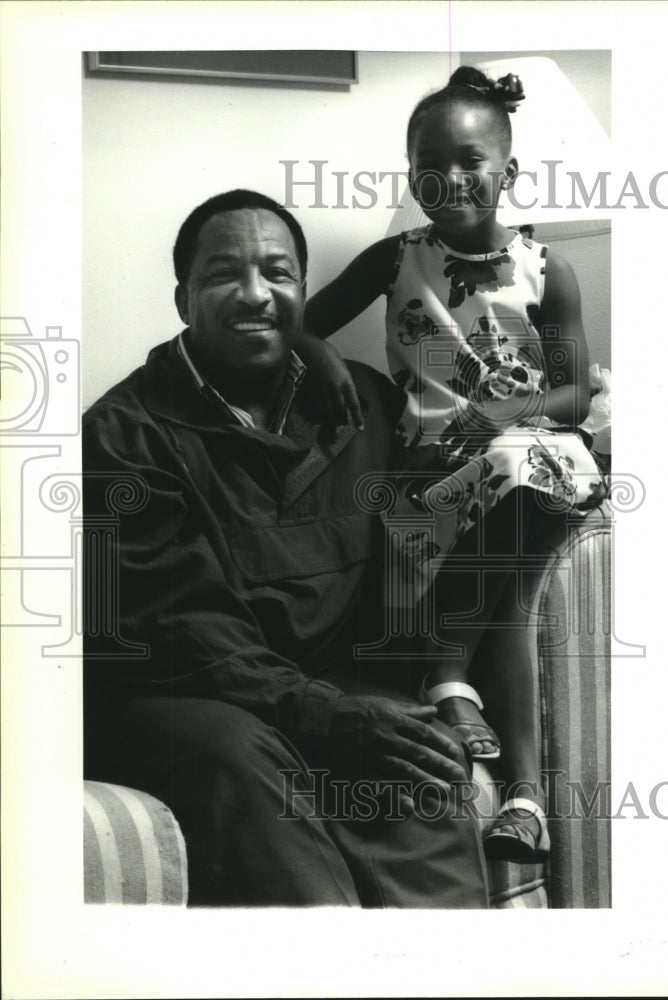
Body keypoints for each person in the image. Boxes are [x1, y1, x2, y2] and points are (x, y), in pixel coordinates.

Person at [81, 188, 490, 908]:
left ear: (303, 291)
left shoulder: (360, 402)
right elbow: (180, 627)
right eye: (222, 275)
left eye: (277, 273)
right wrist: (315, 712)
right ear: (183, 299)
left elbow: (429, 529)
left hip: (323, 683)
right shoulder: (124, 434)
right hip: (187, 697)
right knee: (236, 757)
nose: (254, 294)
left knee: (414, 766)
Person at [293, 67, 607, 861]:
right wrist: (322, 360)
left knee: (508, 460)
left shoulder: (547, 269)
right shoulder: (393, 260)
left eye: (470, 159)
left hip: (530, 454)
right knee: (507, 597)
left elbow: (571, 393)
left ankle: (443, 675)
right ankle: (527, 802)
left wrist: (499, 414)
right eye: (427, 162)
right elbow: (300, 326)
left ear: (508, 172)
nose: (449, 177)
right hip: (432, 474)